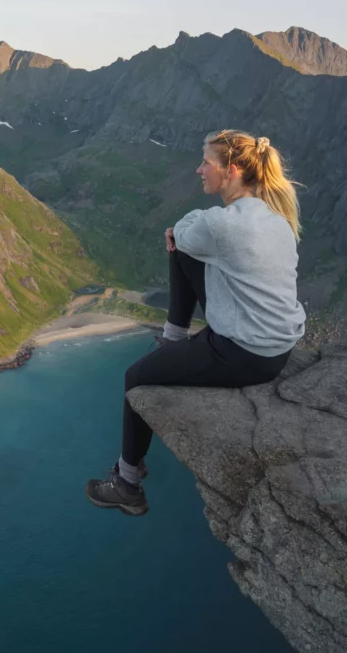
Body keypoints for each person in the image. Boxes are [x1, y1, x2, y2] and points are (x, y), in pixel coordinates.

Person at [85, 129, 306, 516]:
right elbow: (193, 240)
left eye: (207, 162)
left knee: (135, 377)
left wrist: (181, 230)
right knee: (185, 249)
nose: (198, 169)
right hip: (279, 349)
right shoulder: (278, 216)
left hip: (242, 353)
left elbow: (183, 230)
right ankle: (173, 341)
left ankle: (127, 484)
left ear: (232, 170)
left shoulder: (221, 225)